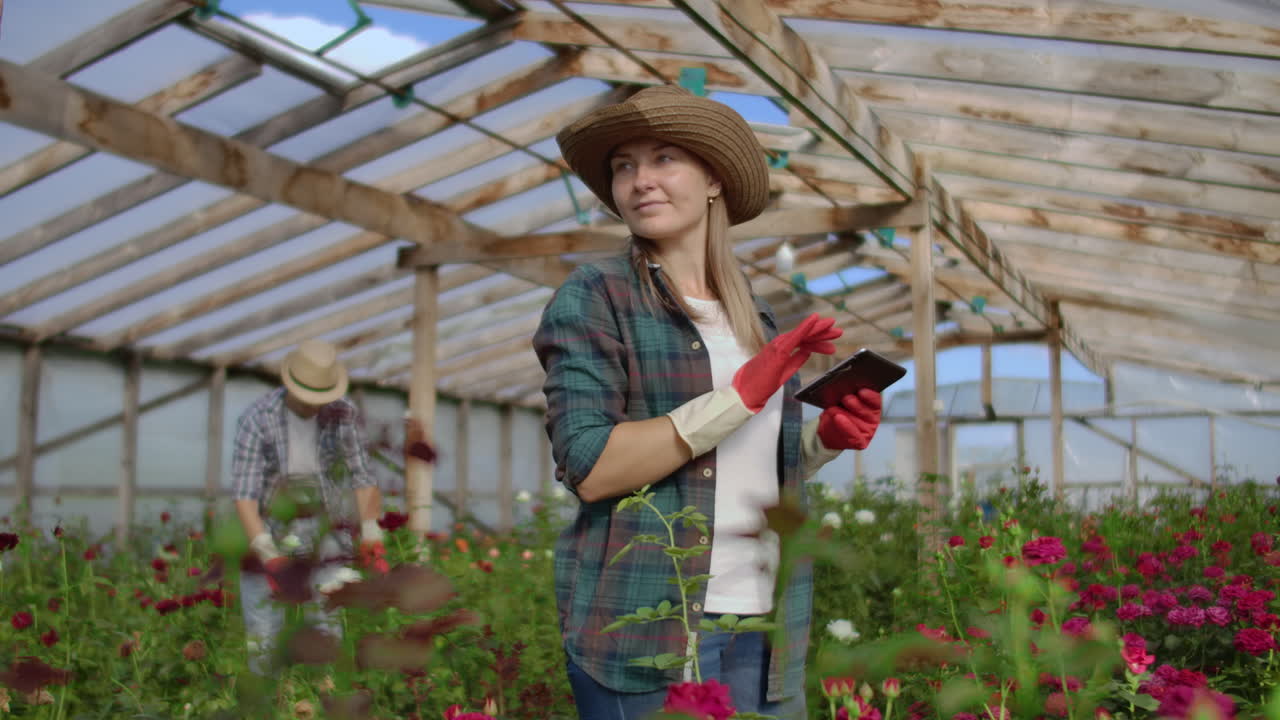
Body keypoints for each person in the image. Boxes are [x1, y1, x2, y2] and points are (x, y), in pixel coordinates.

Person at [534, 85, 884, 719]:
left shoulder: (754, 313)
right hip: (646, 625)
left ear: (715, 178)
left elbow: (741, 468)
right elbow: (590, 466)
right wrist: (742, 393)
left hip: (765, 618)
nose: (641, 180)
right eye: (624, 165)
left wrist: (822, 441)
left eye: (664, 158)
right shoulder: (596, 296)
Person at [230, 338, 388, 672]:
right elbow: (245, 497)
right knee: (265, 640)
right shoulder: (257, 420)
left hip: (324, 543)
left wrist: (372, 533)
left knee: (327, 637)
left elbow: (363, 478)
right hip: (268, 539)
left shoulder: (343, 415)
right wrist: (269, 557)